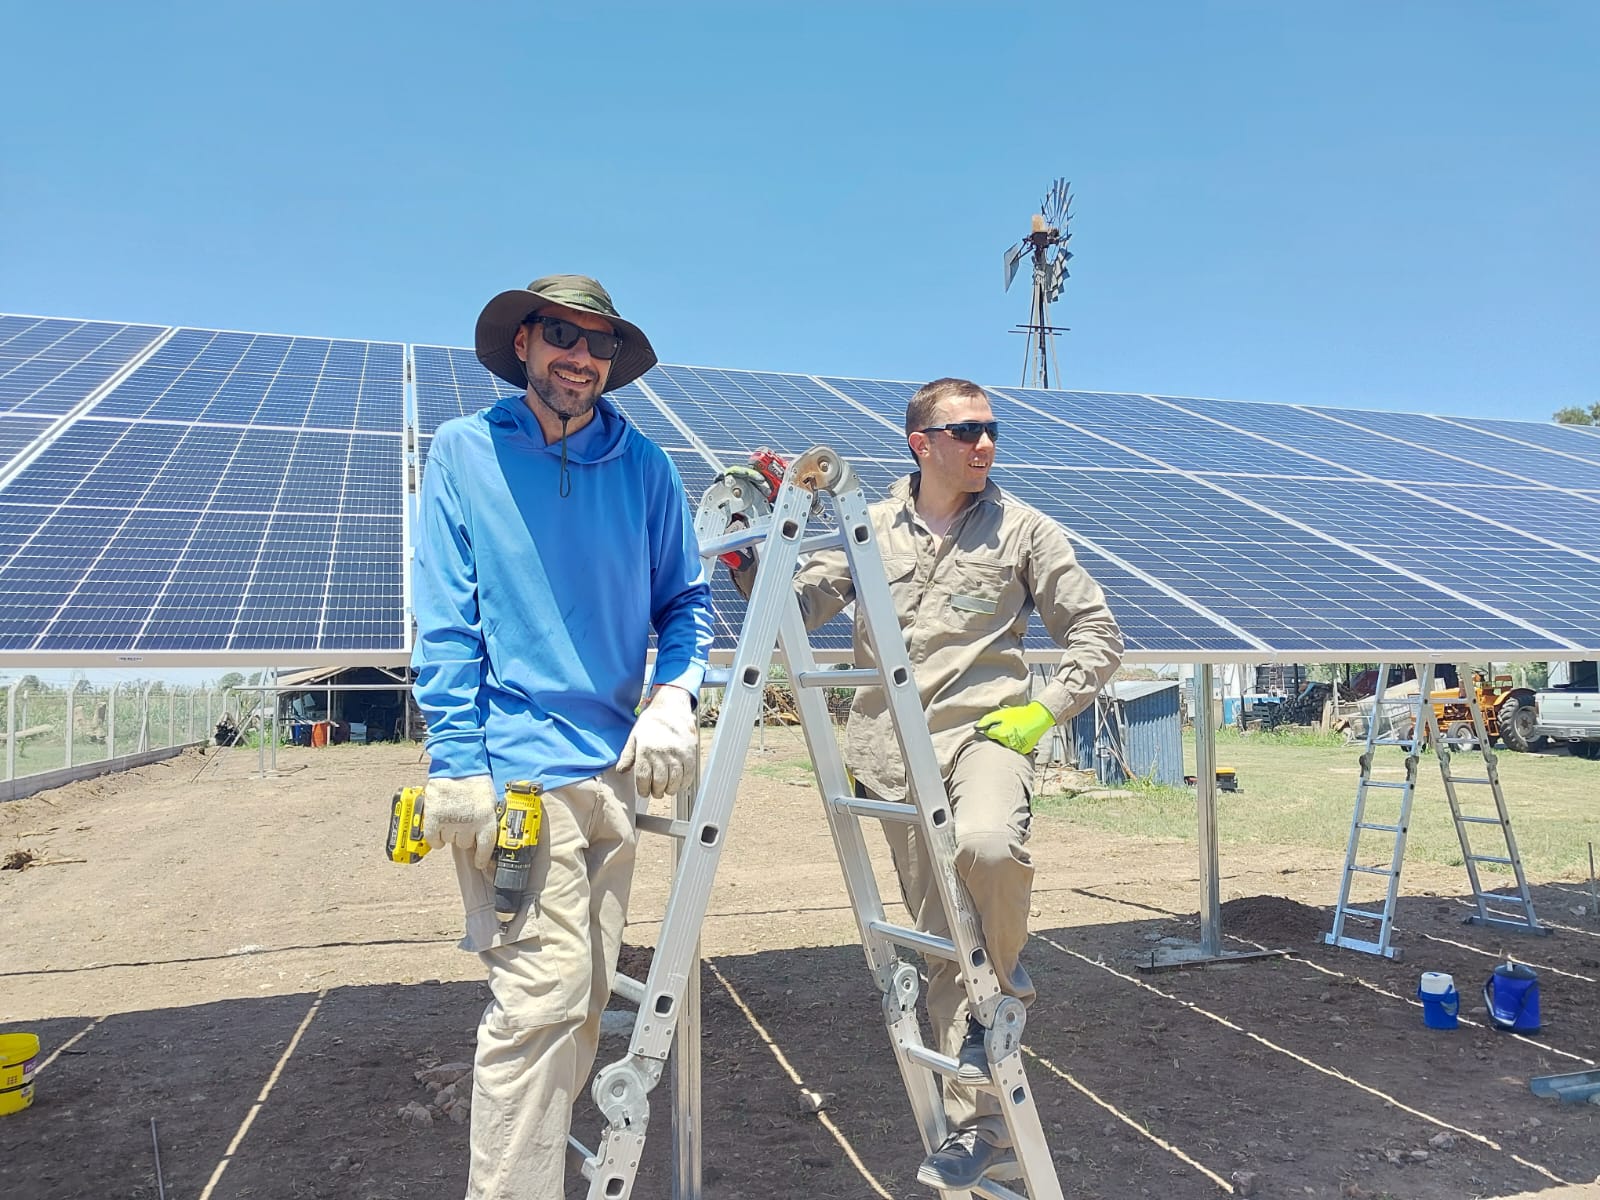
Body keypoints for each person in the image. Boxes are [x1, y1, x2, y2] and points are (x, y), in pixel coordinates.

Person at [728, 376, 1123, 1190]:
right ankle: (980, 1127)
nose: (984, 443)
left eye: (992, 429)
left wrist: (1044, 711)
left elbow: (1097, 633)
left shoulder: (1024, 531)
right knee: (947, 939)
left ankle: (1006, 1003)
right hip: (892, 760)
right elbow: (796, 608)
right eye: (966, 430)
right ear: (921, 443)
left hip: (986, 739)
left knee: (985, 847)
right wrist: (756, 553)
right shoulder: (866, 528)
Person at [411, 274, 714, 1199]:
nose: (580, 357)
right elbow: (447, 621)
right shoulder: (466, 454)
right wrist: (458, 762)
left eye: (599, 344)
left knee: (582, 1010)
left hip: (613, 778)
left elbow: (686, 605)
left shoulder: (648, 469)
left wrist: (675, 697)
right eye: (561, 336)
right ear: (524, 345)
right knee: (537, 1010)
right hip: (514, 784)